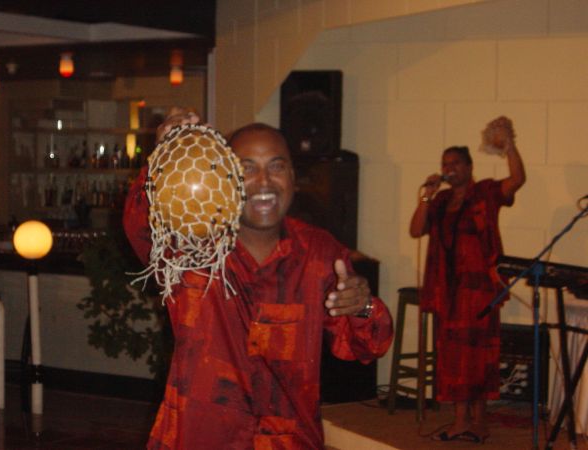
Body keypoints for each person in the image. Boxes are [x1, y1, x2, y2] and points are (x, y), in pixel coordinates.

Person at [124, 120, 393, 449]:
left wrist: (363, 307)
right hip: (200, 436)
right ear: (225, 178)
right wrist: (165, 155)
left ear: (293, 177)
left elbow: (367, 346)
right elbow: (140, 224)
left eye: (276, 166)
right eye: (247, 168)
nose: (264, 181)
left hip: (288, 439)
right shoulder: (192, 248)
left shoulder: (320, 253)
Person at [409, 116, 526, 443]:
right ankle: (460, 421)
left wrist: (509, 146)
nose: (449, 169)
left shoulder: (485, 192)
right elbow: (416, 230)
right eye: (445, 164)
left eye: (455, 163)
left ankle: (479, 422)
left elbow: (517, 179)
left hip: (479, 292)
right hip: (448, 292)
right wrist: (426, 197)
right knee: (453, 359)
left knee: (479, 358)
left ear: (469, 166)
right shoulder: (441, 201)